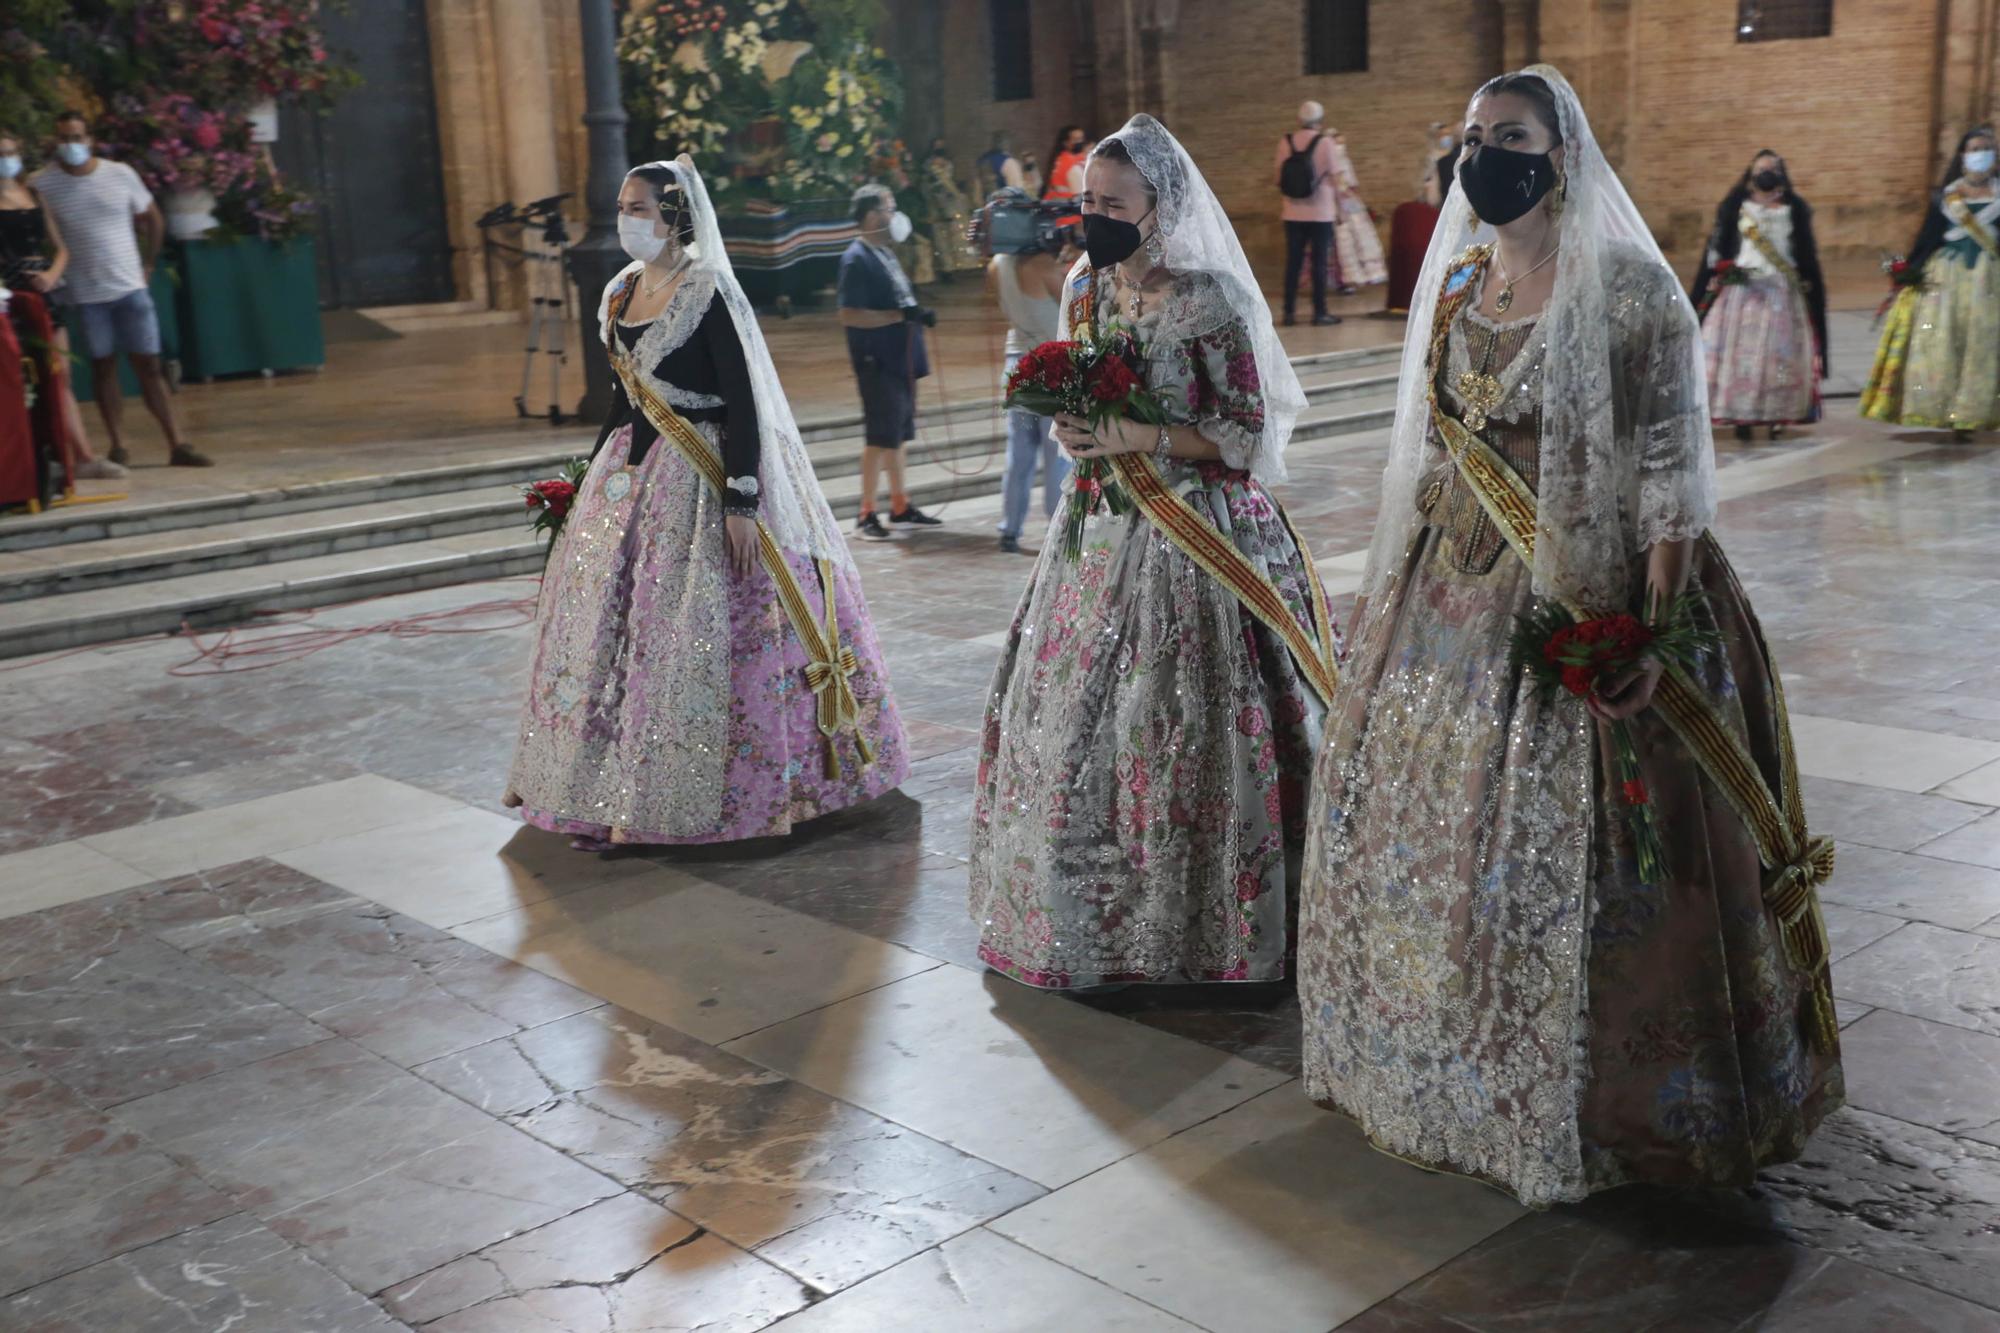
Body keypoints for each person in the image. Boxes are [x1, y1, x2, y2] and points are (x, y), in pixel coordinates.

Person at [1296, 67, 1841, 1208]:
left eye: (1509, 136)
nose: (1483, 155)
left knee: (1600, 859)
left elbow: (1666, 479)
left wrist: (1643, 627)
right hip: (1445, 596)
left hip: (1584, 601)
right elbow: (1438, 449)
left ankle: (1609, 1105)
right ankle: (1444, 1060)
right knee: (1434, 834)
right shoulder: (1453, 285)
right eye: (1469, 137)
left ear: (1561, 152)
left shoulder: (1632, 290)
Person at [968, 115, 1342, 991]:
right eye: (1085, 200)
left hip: (1196, 531)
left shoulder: (1211, 299)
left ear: (1159, 206)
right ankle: (1086, 918)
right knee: (1077, 718)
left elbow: (1246, 436)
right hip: (1096, 531)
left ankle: (1207, 918)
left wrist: (1145, 432)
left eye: (1113, 202)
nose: (1094, 214)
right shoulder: (1084, 291)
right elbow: (1073, 383)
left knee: (1181, 718)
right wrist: (1072, 428)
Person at [504, 156, 909, 849]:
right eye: (623, 206)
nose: (626, 219)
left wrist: (741, 502)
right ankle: (603, 788)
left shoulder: (708, 291)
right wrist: (585, 483)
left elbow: (745, 405)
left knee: (691, 630)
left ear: (676, 218)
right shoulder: (620, 290)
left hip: (699, 477)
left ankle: (715, 794)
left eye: (639, 208)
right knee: (616, 636)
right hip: (628, 480)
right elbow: (622, 401)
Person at [32, 112, 209, 468]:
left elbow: (152, 217)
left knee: (149, 366)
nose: (72, 145)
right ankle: (118, 444)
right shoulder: (43, 183)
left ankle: (177, 441)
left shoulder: (119, 174)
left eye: (78, 137)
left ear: (90, 139)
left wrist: (149, 263)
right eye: (64, 138)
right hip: (85, 292)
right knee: (103, 367)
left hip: (128, 286)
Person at [0, 130, 124, 483]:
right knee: (22, 376)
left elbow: (61, 246)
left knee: (60, 373)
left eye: (10, 152)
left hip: (45, 286)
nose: (6, 159)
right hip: (11, 291)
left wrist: (53, 274)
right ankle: (37, 455)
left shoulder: (34, 193)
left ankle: (82, 455)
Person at [1862, 125, 1999, 441]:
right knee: (1944, 343)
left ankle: (1976, 412)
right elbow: (1928, 239)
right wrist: (1908, 272)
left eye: (1986, 148)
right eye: (1975, 148)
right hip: (1946, 278)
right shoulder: (1946, 196)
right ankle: (1949, 411)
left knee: (1983, 345)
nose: (1981, 153)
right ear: (1963, 155)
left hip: (1990, 281)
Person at [1691, 150, 1826, 441]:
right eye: (1761, 169)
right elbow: (1718, 246)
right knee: (1740, 355)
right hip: (1742, 291)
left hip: (1781, 291)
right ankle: (1741, 415)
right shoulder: (1735, 207)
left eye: (1773, 169)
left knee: (1779, 356)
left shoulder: (1794, 207)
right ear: (1751, 174)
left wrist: (1808, 280)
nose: (1767, 174)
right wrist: (1719, 269)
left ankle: (1777, 414)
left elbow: (1804, 251)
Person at [838, 184, 945, 541]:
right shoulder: (856, 258)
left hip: (900, 359)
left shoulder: (885, 253)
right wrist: (899, 316)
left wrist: (915, 315)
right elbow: (850, 315)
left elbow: (899, 302)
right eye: (889, 207)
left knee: (897, 436)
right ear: (872, 216)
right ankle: (866, 512)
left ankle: (900, 505)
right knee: (879, 436)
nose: (895, 214)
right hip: (877, 361)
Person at [988, 201, 1074, 553]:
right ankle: (1056, 525)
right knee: (1056, 451)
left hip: (1015, 363)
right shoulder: (1042, 265)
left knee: (1019, 453)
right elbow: (1072, 303)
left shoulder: (996, 265)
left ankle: (1010, 527)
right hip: (1047, 365)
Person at [1275, 100, 1343, 328]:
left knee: (1293, 263)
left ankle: (1288, 312)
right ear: (1320, 122)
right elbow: (1335, 177)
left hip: (1292, 213)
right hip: (1321, 213)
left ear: (1299, 120)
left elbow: (1278, 179)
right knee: (1319, 263)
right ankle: (1320, 312)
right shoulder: (1326, 143)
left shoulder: (1286, 142)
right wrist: (1340, 207)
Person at [1384, 121, 1456, 313]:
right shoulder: (1432, 158)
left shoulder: (1454, 156)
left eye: (1448, 134)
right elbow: (1426, 181)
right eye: (1443, 134)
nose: (1446, 138)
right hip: (1439, 202)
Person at [1328, 130, 1387, 294]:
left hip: (1352, 205)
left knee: (1360, 238)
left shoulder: (1345, 161)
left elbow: (1351, 183)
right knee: (1343, 241)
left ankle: (1364, 274)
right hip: (1339, 206)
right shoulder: (1332, 163)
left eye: (1342, 143)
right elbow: (1337, 184)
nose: (1340, 147)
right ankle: (1345, 280)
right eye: (1337, 144)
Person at [920, 137, 981, 277]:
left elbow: (949, 180)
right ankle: (946, 269)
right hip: (936, 203)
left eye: (941, 145)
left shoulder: (947, 162)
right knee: (941, 238)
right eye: (937, 145)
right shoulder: (929, 164)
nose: (939, 148)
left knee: (956, 234)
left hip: (951, 203)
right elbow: (932, 182)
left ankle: (958, 266)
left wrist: (956, 192)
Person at [1041, 125, 1089, 205]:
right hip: (1069, 212)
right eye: (1076, 139)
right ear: (1065, 143)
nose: (1080, 142)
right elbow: (1080, 194)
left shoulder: (1062, 158)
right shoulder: (1070, 163)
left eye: (1081, 138)